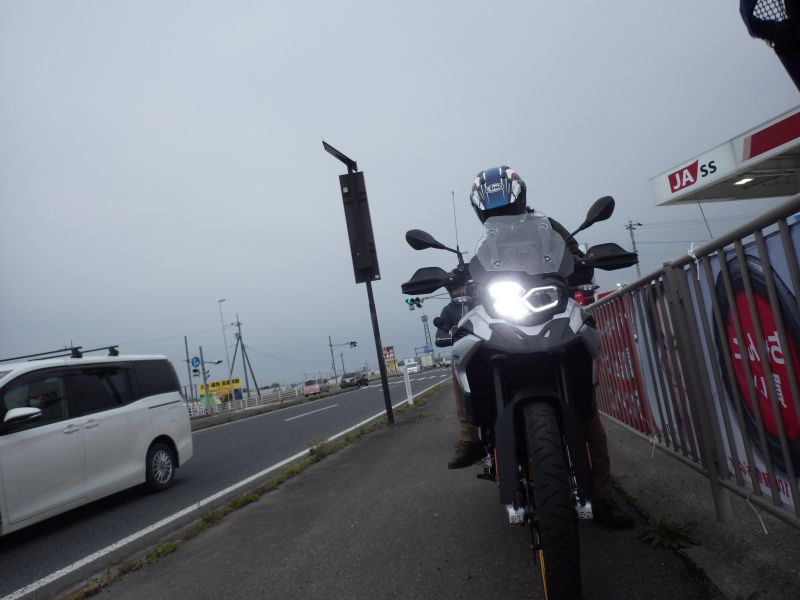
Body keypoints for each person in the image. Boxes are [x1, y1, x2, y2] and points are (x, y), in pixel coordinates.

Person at [441, 165, 634, 529]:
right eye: (493, 212)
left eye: (506, 208)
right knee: (461, 350)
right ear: (482, 212)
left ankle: (603, 498)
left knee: (587, 412)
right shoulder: (485, 243)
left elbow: (573, 253)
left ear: (520, 200)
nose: (501, 216)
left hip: (551, 308)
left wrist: (585, 262)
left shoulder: (548, 227)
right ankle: (469, 437)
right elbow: (474, 269)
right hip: (505, 313)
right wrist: (456, 276)